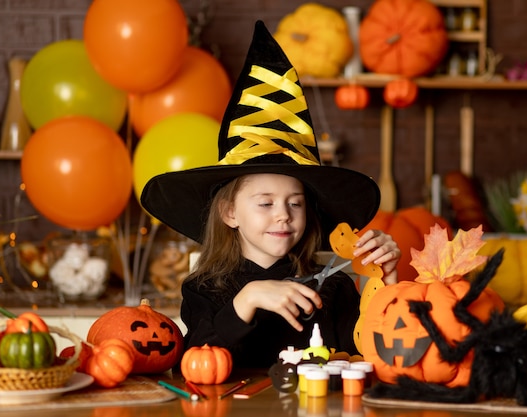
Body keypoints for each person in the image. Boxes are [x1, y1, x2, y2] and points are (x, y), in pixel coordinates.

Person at [141, 21, 400, 368]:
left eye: (295, 203)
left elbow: (380, 354)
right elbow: (193, 364)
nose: (284, 214)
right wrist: (245, 302)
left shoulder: (333, 288)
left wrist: (387, 279)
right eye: (265, 203)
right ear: (229, 213)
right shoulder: (204, 289)